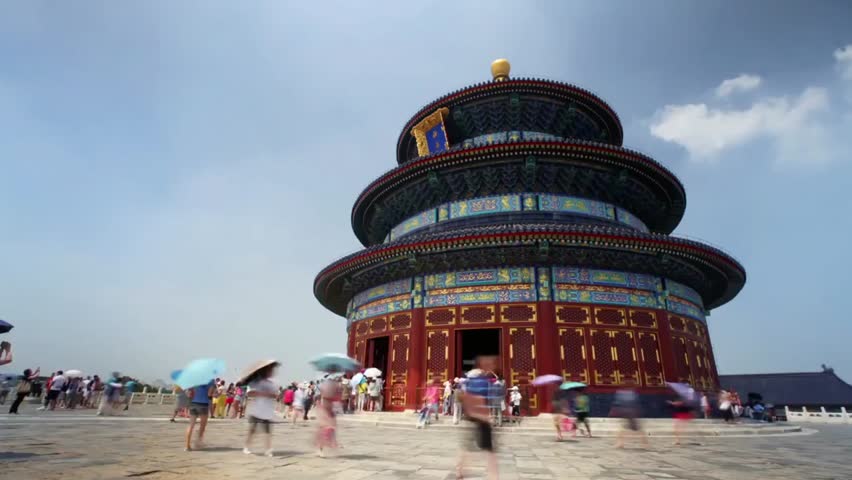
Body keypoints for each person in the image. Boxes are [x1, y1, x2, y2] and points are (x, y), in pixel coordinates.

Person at [456, 357, 499, 480]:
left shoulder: (468, 379)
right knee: (490, 451)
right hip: (481, 417)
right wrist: (487, 415)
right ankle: (493, 477)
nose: (493, 366)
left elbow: (464, 396)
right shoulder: (483, 381)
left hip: (470, 416)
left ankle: (460, 470)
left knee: (468, 446)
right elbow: (482, 399)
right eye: (491, 363)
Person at [243, 364, 279, 457]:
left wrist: (273, 395)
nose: (272, 372)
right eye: (270, 370)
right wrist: (263, 393)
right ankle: (247, 447)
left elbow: (276, 395)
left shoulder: (271, 383)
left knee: (268, 431)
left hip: (267, 411)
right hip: (256, 410)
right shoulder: (255, 382)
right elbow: (250, 393)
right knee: (252, 430)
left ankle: (268, 449)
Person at [185, 379, 215, 451]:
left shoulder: (195, 378)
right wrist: (213, 390)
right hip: (203, 404)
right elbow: (209, 394)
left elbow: (189, 392)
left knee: (191, 425)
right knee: (202, 425)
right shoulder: (210, 379)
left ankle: (187, 446)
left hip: (193, 403)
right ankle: (198, 443)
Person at [315, 378, 341, 457]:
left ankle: (321, 448)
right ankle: (320, 449)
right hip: (325, 414)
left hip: (330, 414)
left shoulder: (332, 395)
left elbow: (335, 404)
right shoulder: (324, 396)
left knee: (329, 431)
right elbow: (325, 406)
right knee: (325, 431)